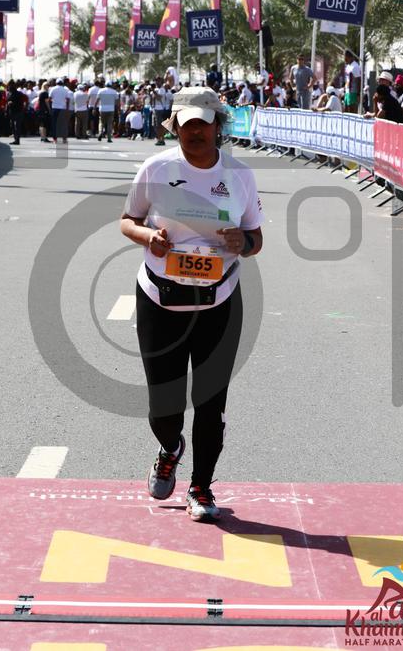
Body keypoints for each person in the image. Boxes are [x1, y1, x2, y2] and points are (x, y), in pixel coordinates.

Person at [120, 87, 264, 522]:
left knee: (210, 402)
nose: (195, 133)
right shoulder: (156, 168)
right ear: (175, 128)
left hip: (219, 301)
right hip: (159, 299)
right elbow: (128, 221)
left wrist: (243, 242)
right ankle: (170, 447)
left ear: (218, 126)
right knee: (163, 408)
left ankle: (201, 487)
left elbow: (256, 238)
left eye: (203, 124)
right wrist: (149, 237)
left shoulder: (239, 176)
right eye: (187, 126)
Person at [49, 78, 70, 143]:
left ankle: (55, 139)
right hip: (63, 108)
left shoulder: (53, 89)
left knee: (54, 124)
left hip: (55, 108)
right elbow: (68, 100)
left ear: (56, 83)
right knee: (63, 124)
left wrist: (50, 107)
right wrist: (67, 108)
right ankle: (64, 138)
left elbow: (50, 98)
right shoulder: (65, 90)